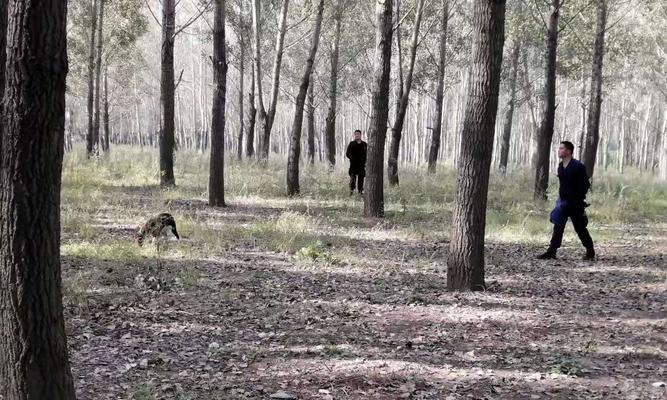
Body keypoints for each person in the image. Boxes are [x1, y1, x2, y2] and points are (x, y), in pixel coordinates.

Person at [538, 141, 596, 260]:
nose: (559, 150)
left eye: (561, 148)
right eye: (559, 148)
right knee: (558, 226)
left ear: (569, 151)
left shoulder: (578, 166)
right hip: (563, 202)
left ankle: (590, 251)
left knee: (580, 228)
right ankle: (551, 251)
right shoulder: (560, 166)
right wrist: (561, 200)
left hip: (575, 203)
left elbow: (585, 185)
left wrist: (577, 199)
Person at [346, 130, 367, 196]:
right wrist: (352, 159)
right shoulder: (351, 143)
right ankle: (351, 192)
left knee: (361, 180)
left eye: (358, 134)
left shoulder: (364, 144)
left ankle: (360, 193)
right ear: (354, 135)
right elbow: (347, 154)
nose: (357, 135)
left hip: (362, 165)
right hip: (353, 165)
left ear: (361, 135)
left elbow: (367, 154)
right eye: (356, 134)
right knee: (352, 179)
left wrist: (365, 161)